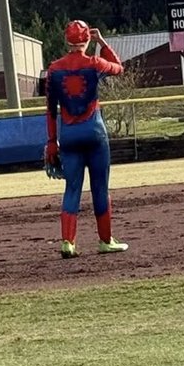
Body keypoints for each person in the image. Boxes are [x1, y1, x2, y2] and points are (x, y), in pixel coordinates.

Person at [45, 20, 128, 258]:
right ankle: (105, 240)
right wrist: (102, 42)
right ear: (86, 39)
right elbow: (118, 68)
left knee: (72, 189)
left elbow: (50, 109)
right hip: (94, 132)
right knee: (100, 188)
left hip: (69, 135)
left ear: (66, 40)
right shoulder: (94, 63)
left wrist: (52, 141)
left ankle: (68, 243)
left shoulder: (54, 69)